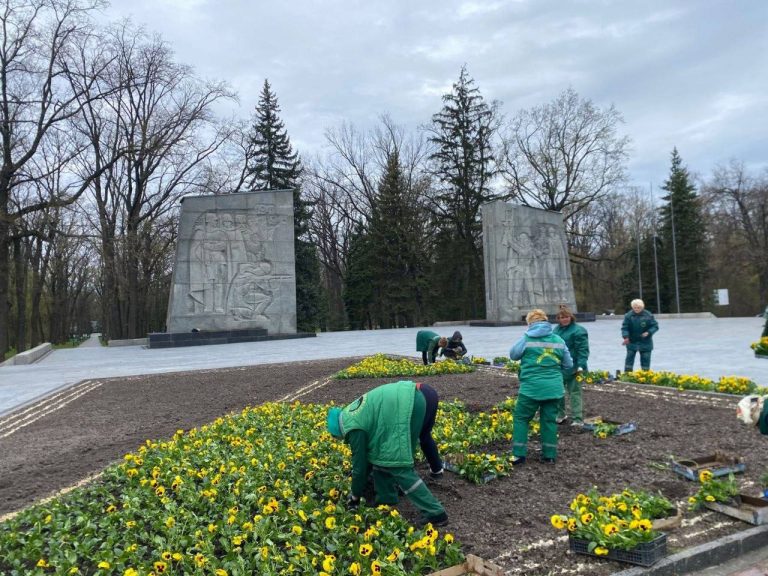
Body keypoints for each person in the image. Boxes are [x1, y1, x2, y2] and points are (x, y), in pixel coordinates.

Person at [326, 380, 448, 526]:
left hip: (407, 404)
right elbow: (371, 457)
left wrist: (355, 496)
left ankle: (436, 513)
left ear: (336, 431)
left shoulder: (352, 428)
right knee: (383, 456)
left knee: (398, 464)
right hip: (410, 397)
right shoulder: (348, 414)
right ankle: (386, 501)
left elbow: (360, 466)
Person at [509, 309, 573, 464]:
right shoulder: (558, 340)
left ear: (530, 323)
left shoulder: (526, 338)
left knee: (521, 418)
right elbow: (569, 364)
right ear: (546, 321)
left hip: (531, 388)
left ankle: (519, 454)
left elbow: (513, 355)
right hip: (554, 389)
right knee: (549, 421)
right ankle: (549, 455)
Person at [553, 305, 590, 429]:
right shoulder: (555, 331)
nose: (564, 319)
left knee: (575, 392)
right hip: (559, 367)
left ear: (571, 317)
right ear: (558, 318)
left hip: (575, 368)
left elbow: (583, 350)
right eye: (561, 317)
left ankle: (577, 418)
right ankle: (560, 414)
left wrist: (581, 365)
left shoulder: (579, 331)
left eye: (566, 317)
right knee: (558, 392)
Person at [621, 299, 659, 372]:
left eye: (638, 308)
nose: (636, 309)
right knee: (629, 359)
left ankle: (645, 375)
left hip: (645, 342)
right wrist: (626, 337)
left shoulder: (648, 315)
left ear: (642, 307)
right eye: (635, 307)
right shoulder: (628, 316)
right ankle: (627, 375)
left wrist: (648, 332)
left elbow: (655, 326)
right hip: (632, 341)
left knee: (645, 359)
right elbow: (624, 327)